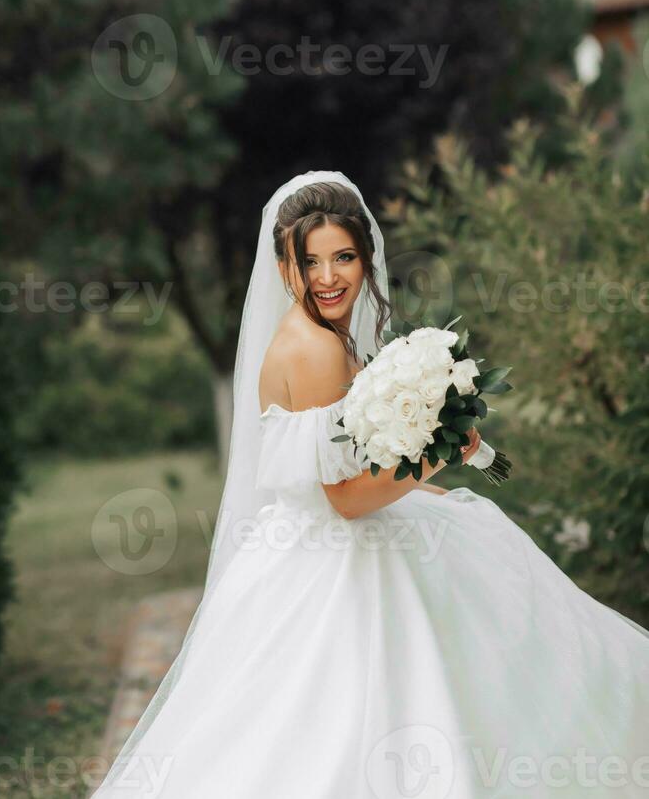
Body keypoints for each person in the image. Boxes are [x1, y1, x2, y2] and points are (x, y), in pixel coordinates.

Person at [90, 170, 649, 799]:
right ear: (284, 268)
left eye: (344, 257)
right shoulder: (315, 349)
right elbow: (347, 501)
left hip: (299, 538)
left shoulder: (319, 336)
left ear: (366, 257)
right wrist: (439, 460)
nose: (329, 277)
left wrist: (431, 482)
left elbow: (340, 475)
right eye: (311, 261)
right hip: (331, 560)